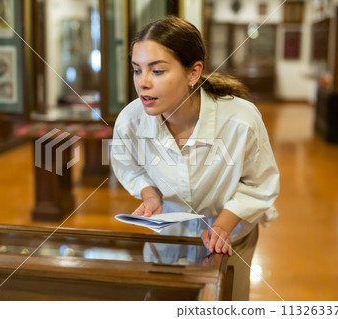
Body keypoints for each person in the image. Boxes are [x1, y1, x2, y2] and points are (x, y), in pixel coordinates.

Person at [110, 16, 279, 301]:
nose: (143, 83)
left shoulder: (240, 121)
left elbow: (259, 183)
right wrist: (150, 196)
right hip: (169, 239)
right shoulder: (131, 119)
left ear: (193, 73)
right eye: (137, 71)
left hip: (228, 242)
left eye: (158, 71)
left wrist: (223, 224)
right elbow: (130, 167)